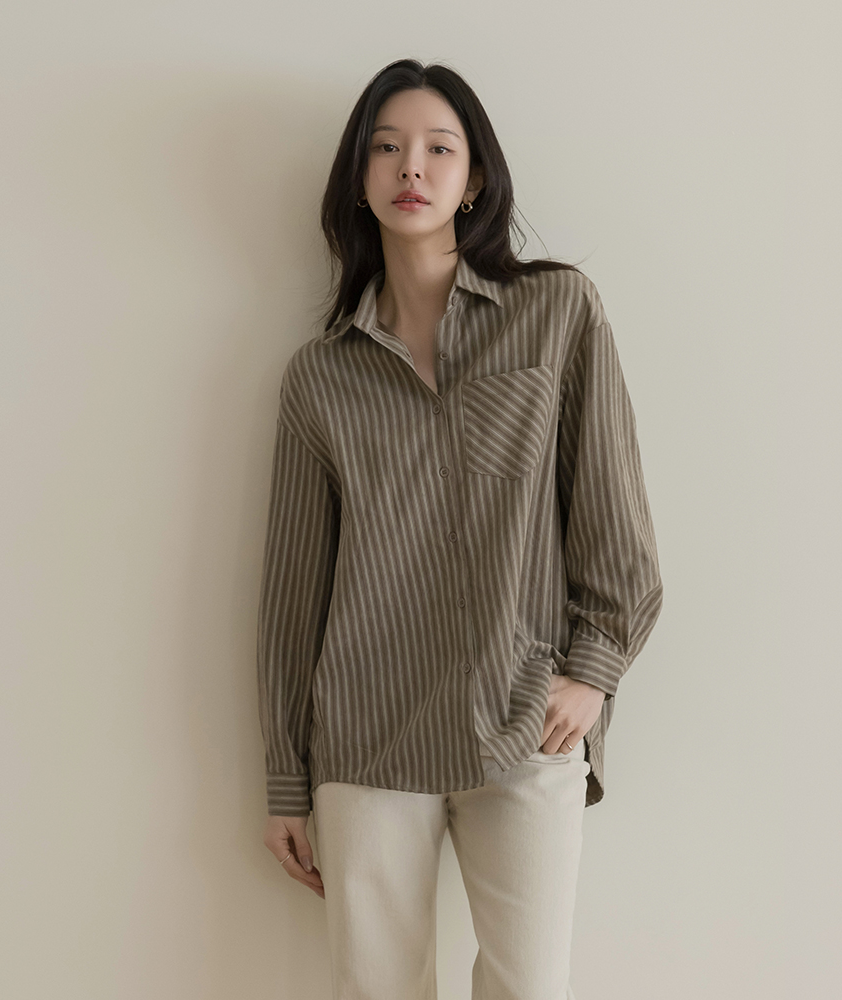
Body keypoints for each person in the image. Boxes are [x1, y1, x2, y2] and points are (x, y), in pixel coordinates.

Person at [256, 58, 663, 1000]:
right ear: (359, 178)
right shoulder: (320, 378)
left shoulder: (557, 312)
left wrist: (594, 668)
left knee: (530, 989)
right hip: (366, 736)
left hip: (525, 719)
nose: (412, 166)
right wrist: (285, 777)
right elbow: (292, 591)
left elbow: (613, 510)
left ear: (473, 178)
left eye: (439, 148)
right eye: (387, 147)